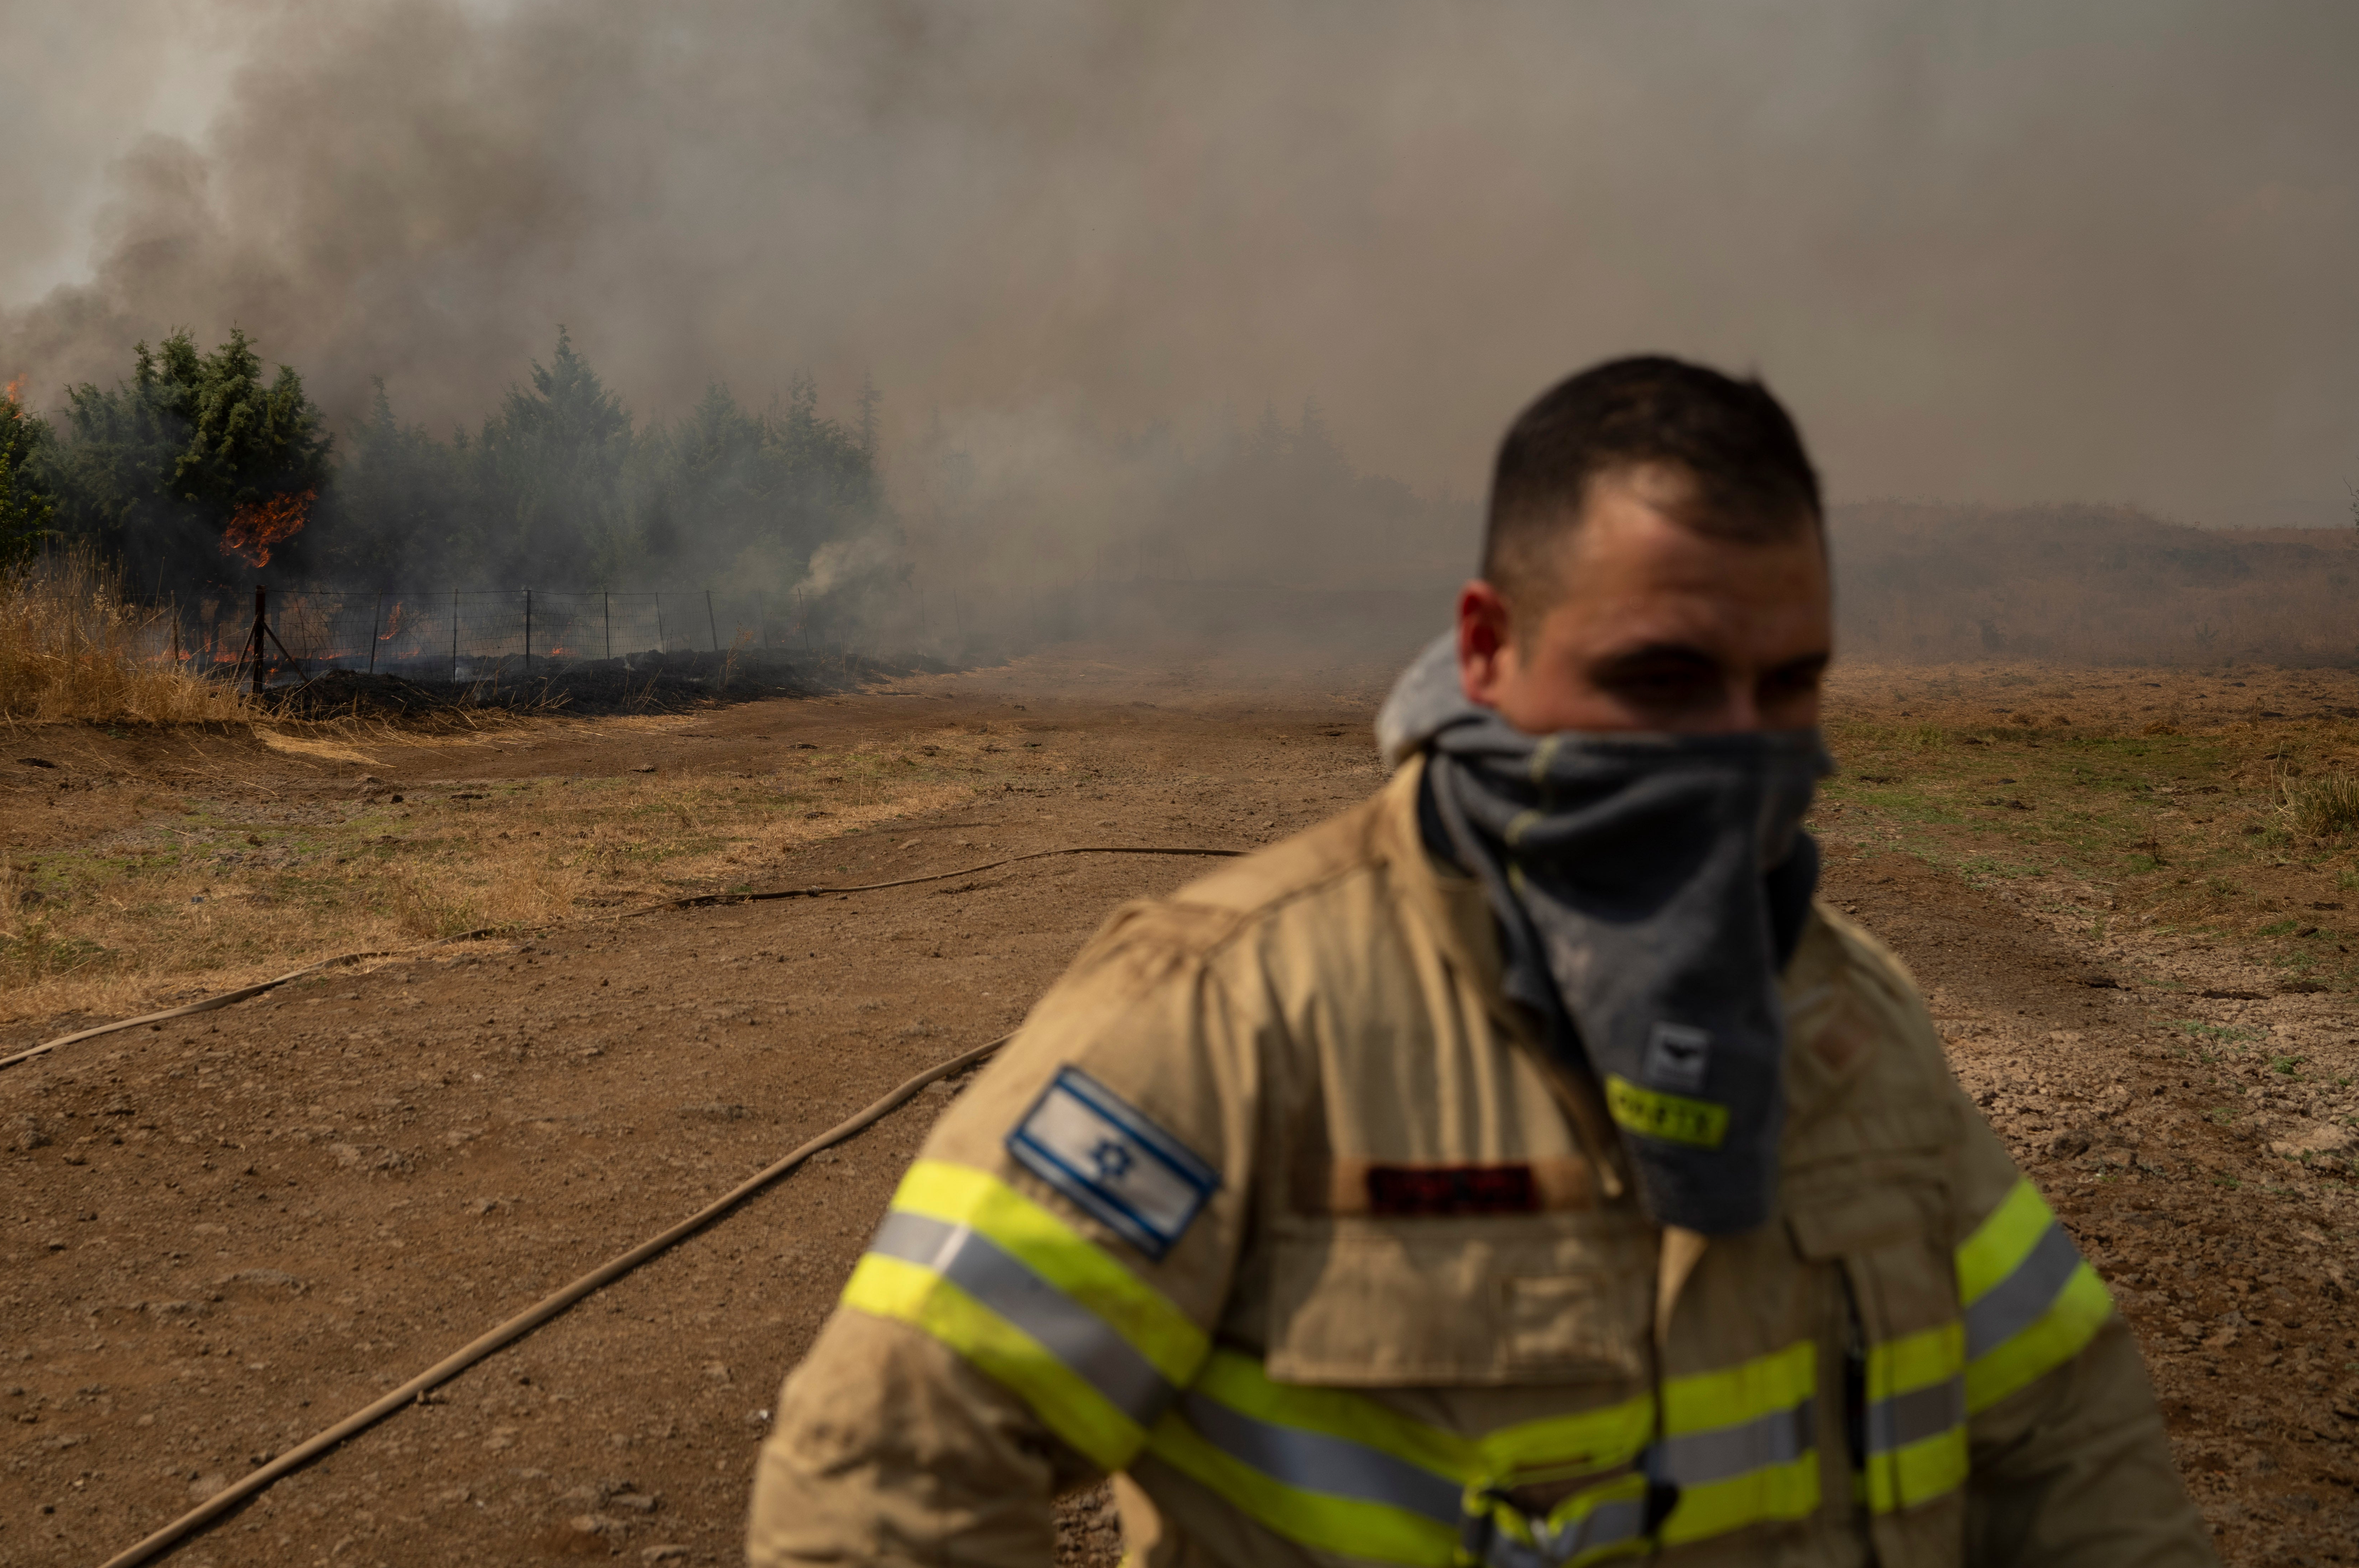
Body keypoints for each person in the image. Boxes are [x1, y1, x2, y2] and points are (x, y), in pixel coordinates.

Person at [746, 357, 2208, 1566]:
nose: (1740, 754)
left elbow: (2072, 1446)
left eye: (1792, 687)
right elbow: (874, 1486)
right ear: (1490, 647)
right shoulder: (1231, 1015)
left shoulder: (1849, 1018)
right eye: (1664, 679)